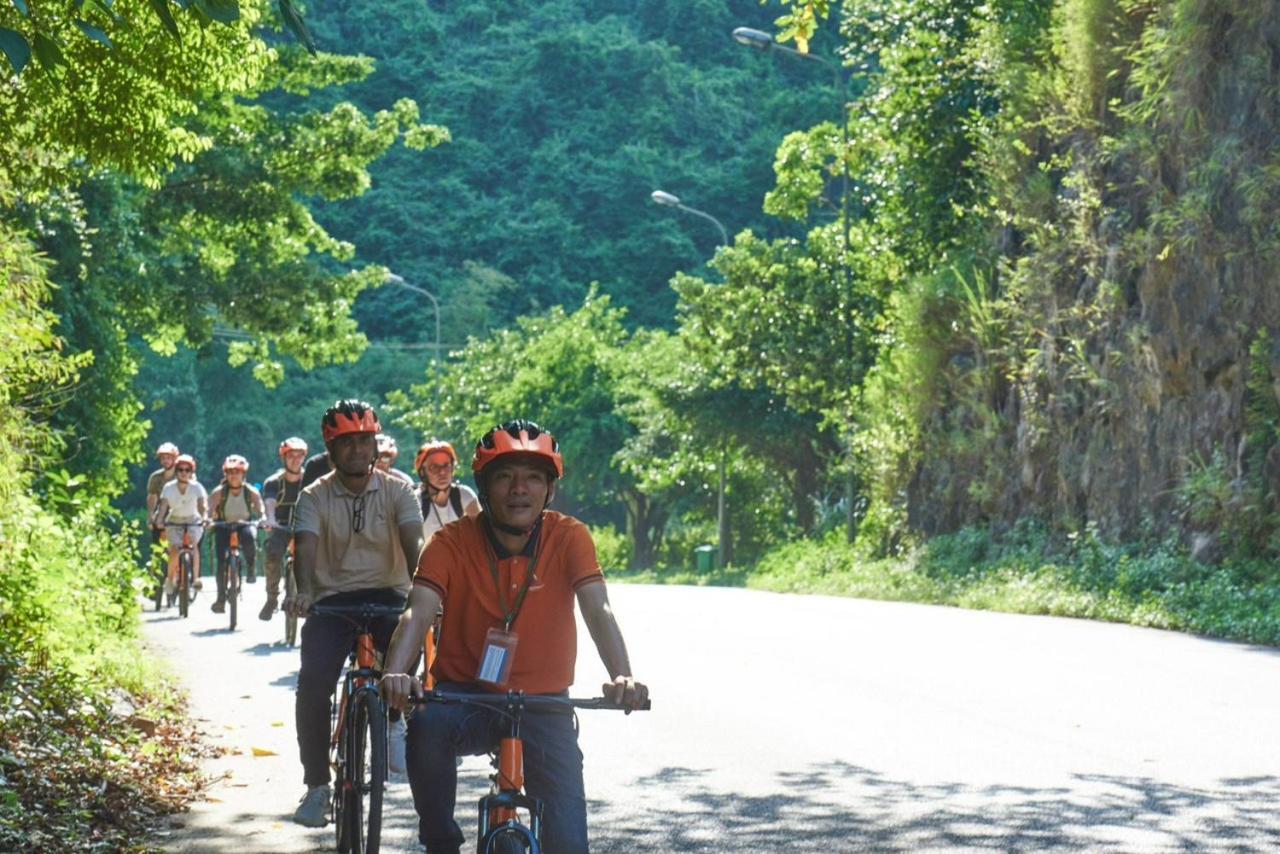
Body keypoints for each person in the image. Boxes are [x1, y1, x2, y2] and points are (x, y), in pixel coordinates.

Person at [381, 420, 648, 854]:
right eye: (505, 476)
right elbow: (418, 611)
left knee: (568, 843)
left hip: (545, 703)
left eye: (533, 478)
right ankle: (440, 842)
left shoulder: (570, 537)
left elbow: (598, 608)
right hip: (465, 696)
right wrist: (395, 672)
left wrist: (624, 676)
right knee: (425, 728)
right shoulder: (450, 541)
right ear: (484, 488)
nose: (519, 489)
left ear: (549, 489)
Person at [286, 400, 423, 828]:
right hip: (330, 603)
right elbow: (305, 549)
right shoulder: (313, 496)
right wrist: (305, 593)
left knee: (409, 652)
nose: (359, 450)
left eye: (366, 440)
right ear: (330, 448)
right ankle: (316, 786)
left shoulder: (399, 491)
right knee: (313, 685)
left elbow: (414, 545)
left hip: (388, 597)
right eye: (348, 443)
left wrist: (425, 594)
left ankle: (395, 716)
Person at [208, 455, 265, 614]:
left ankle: (251, 568)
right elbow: (209, 509)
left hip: (244, 525)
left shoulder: (251, 491)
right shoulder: (219, 492)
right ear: (225, 474)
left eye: (237, 472)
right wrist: (207, 520)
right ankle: (220, 599)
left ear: (243, 474)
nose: (234, 475)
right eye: (230, 472)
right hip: (223, 526)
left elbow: (261, 510)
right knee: (221, 561)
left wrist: (263, 519)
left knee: (249, 538)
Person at [259, 436, 308, 620]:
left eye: (299, 455)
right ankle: (272, 598)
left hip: (304, 526)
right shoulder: (274, 481)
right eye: (291, 456)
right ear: (284, 458)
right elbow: (270, 501)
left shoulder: (310, 480)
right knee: (272, 554)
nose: (295, 460)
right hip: (280, 526)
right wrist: (270, 519)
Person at [152, 453, 208, 598]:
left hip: (193, 521)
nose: (184, 473)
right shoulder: (168, 487)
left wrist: (205, 518)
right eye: (181, 470)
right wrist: (159, 520)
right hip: (174, 521)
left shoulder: (197, 487)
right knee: (175, 550)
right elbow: (163, 507)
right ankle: (170, 579)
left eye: (187, 470)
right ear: (176, 471)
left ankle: (196, 579)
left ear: (191, 472)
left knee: (194, 545)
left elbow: (202, 506)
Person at [413, 440, 479, 544]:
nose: (442, 472)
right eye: (434, 467)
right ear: (423, 472)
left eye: (446, 466)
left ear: (452, 468)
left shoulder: (464, 495)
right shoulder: (415, 501)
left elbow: (481, 536)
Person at [145, 442, 181, 574]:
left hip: (180, 510)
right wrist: (150, 517)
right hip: (162, 512)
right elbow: (152, 497)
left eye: (168, 457)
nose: (165, 461)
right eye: (163, 458)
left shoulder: (182, 473)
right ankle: (155, 576)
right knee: (157, 547)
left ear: (175, 458)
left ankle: (189, 573)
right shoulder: (156, 477)